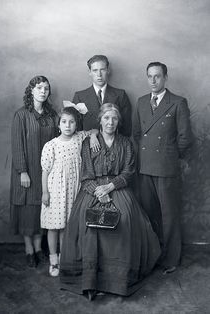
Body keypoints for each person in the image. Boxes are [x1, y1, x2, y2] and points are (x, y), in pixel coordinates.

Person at [60, 103, 161, 300]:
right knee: (86, 220)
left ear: (119, 122)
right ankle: (90, 281)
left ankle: (117, 279)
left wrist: (110, 187)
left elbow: (128, 172)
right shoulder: (89, 143)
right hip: (92, 189)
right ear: (100, 120)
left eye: (114, 118)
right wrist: (98, 192)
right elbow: (86, 175)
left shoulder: (126, 143)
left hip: (117, 187)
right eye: (106, 118)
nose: (110, 122)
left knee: (125, 217)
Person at [133, 62, 192, 274]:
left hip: (167, 168)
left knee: (170, 214)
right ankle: (154, 254)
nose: (153, 80)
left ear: (165, 77)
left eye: (157, 76)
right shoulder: (140, 102)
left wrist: (170, 157)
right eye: (150, 76)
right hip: (145, 166)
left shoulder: (177, 102)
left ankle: (171, 259)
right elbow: (137, 135)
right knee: (150, 214)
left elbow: (186, 138)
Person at [41, 104, 100, 277]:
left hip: (73, 190)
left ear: (77, 124)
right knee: (53, 226)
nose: (68, 125)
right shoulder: (51, 145)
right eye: (64, 122)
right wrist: (45, 192)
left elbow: (95, 130)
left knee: (66, 227)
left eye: (72, 122)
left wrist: (94, 136)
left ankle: (64, 257)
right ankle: (53, 259)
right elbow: (45, 172)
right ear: (58, 125)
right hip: (55, 191)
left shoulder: (79, 138)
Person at [10, 75, 58, 268]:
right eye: (39, 88)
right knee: (27, 212)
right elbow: (17, 145)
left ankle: (39, 248)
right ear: (31, 91)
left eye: (46, 88)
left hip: (45, 172)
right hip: (27, 172)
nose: (43, 91)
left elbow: (59, 139)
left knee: (41, 211)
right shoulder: (21, 115)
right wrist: (22, 171)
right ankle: (29, 249)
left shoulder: (51, 115)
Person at [72, 55, 132, 136]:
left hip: (114, 145)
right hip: (88, 144)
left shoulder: (120, 95)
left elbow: (126, 127)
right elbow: (76, 128)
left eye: (102, 70)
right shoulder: (79, 97)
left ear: (108, 70)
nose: (99, 74)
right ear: (90, 72)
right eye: (95, 70)